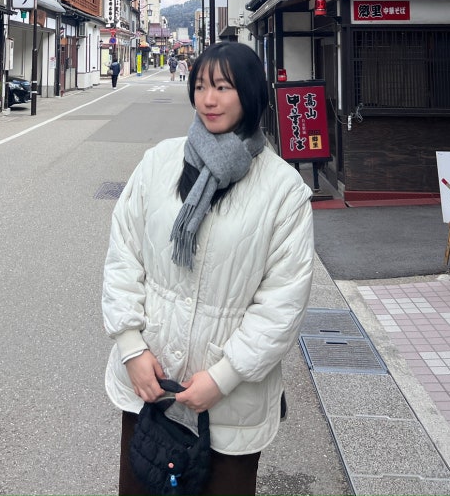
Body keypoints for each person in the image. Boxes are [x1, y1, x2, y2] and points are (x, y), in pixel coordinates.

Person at [102, 42, 314, 496]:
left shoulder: (283, 190)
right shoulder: (160, 162)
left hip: (231, 403)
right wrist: (131, 348)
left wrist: (223, 378)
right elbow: (124, 254)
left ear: (250, 94)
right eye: (200, 87)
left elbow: (283, 301)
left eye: (222, 87)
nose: (208, 100)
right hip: (151, 387)